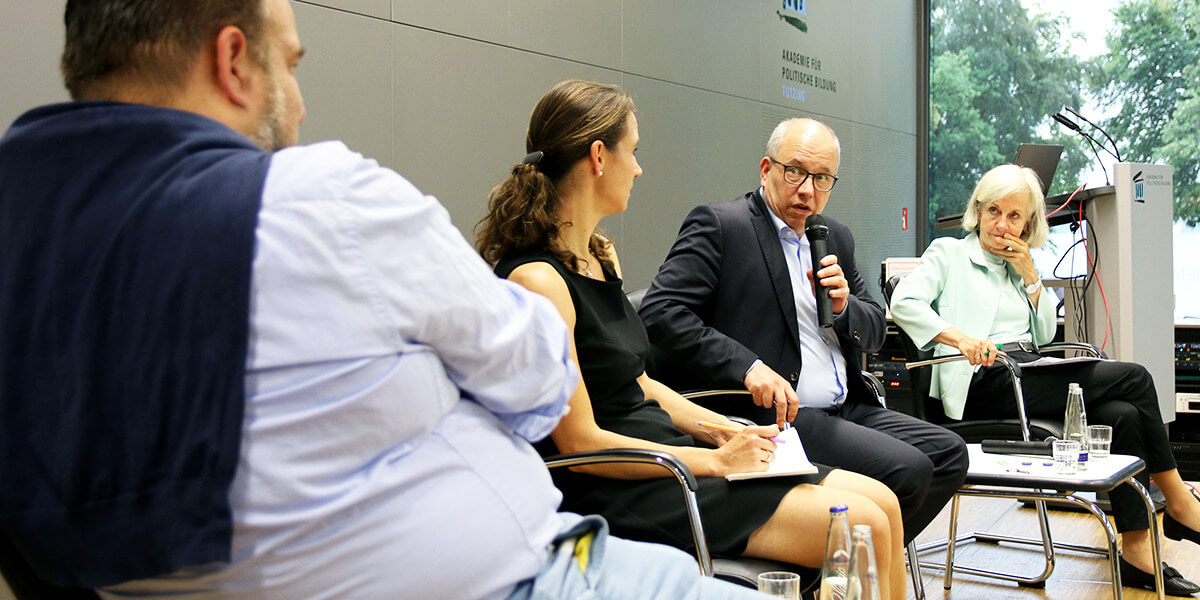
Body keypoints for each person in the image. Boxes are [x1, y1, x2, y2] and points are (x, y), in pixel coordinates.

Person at [0, 2, 774, 599]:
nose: (297, 105)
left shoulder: (28, 227)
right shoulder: (324, 200)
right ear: (234, 61)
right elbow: (539, 385)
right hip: (522, 576)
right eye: (290, 66)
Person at [477, 80, 909, 600]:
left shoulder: (598, 255)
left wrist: (721, 429)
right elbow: (579, 443)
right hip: (622, 483)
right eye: (632, 152)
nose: (637, 168)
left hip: (667, 454)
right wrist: (714, 461)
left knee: (882, 503)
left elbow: (638, 383)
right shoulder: (539, 281)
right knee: (863, 523)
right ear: (598, 156)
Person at [637, 117, 969, 545]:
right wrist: (749, 367)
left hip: (848, 405)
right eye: (794, 172)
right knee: (909, 469)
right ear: (766, 169)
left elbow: (872, 329)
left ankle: (845, 566)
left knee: (947, 453)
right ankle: (841, 566)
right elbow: (661, 311)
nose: (807, 190)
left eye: (822, 178)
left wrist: (843, 306)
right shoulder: (724, 225)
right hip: (780, 414)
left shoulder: (835, 237)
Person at [888, 163, 1200, 595]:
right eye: (994, 211)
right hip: (981, 381)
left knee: (1122, 413)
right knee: (1135, 377)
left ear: (1029, 222)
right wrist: (960, 338)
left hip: (1026, 373)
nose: (1002, 224)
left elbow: (1042, 337)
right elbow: (904, 302)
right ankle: (1180, 500)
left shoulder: (1020, 265)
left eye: (1015, 216)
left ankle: (1136, 551)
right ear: (977, 211)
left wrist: (1033, 278)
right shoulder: (949, 253)